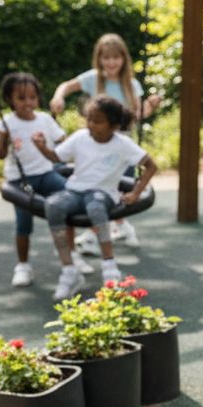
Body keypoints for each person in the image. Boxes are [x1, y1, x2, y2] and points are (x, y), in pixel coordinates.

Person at [34, 96, 157, 300]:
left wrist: (135, 192)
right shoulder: (80, 137)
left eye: (97, 121)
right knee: (53, 205)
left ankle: (110, 266)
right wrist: (41, 147)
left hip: (104, 192)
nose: (91, 124)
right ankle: (69, 270)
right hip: (75, 190)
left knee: (96, 207)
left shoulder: (123, 144)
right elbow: (56, 156)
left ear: (114, 126)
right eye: (89, 119)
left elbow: (151, 166)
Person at [50, 34, 161, 251]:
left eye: (115, 58)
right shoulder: (94, 78)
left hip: (121, 146)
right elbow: (66, 86)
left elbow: (138, 114)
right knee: (98, 189)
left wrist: (150, 106)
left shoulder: (131, 84)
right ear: (99, 59)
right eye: (106, 58)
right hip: (96, 147)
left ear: (124, 59)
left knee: (112, 191)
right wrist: (58, 97)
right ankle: (110, 230)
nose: (111, 62)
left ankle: (103, 232)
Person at [0, 72, 67, 288]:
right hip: (20, 180)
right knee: (24, 223)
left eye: (32, 97)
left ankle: (69, 257)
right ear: (10, 99)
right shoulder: (6, 123)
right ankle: (23, 265)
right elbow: (0, 155)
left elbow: (64, 143)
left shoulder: (45, 119)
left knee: (69, 204)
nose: (28, 103)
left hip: (46, 174)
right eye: (21, 98)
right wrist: (4, 139)